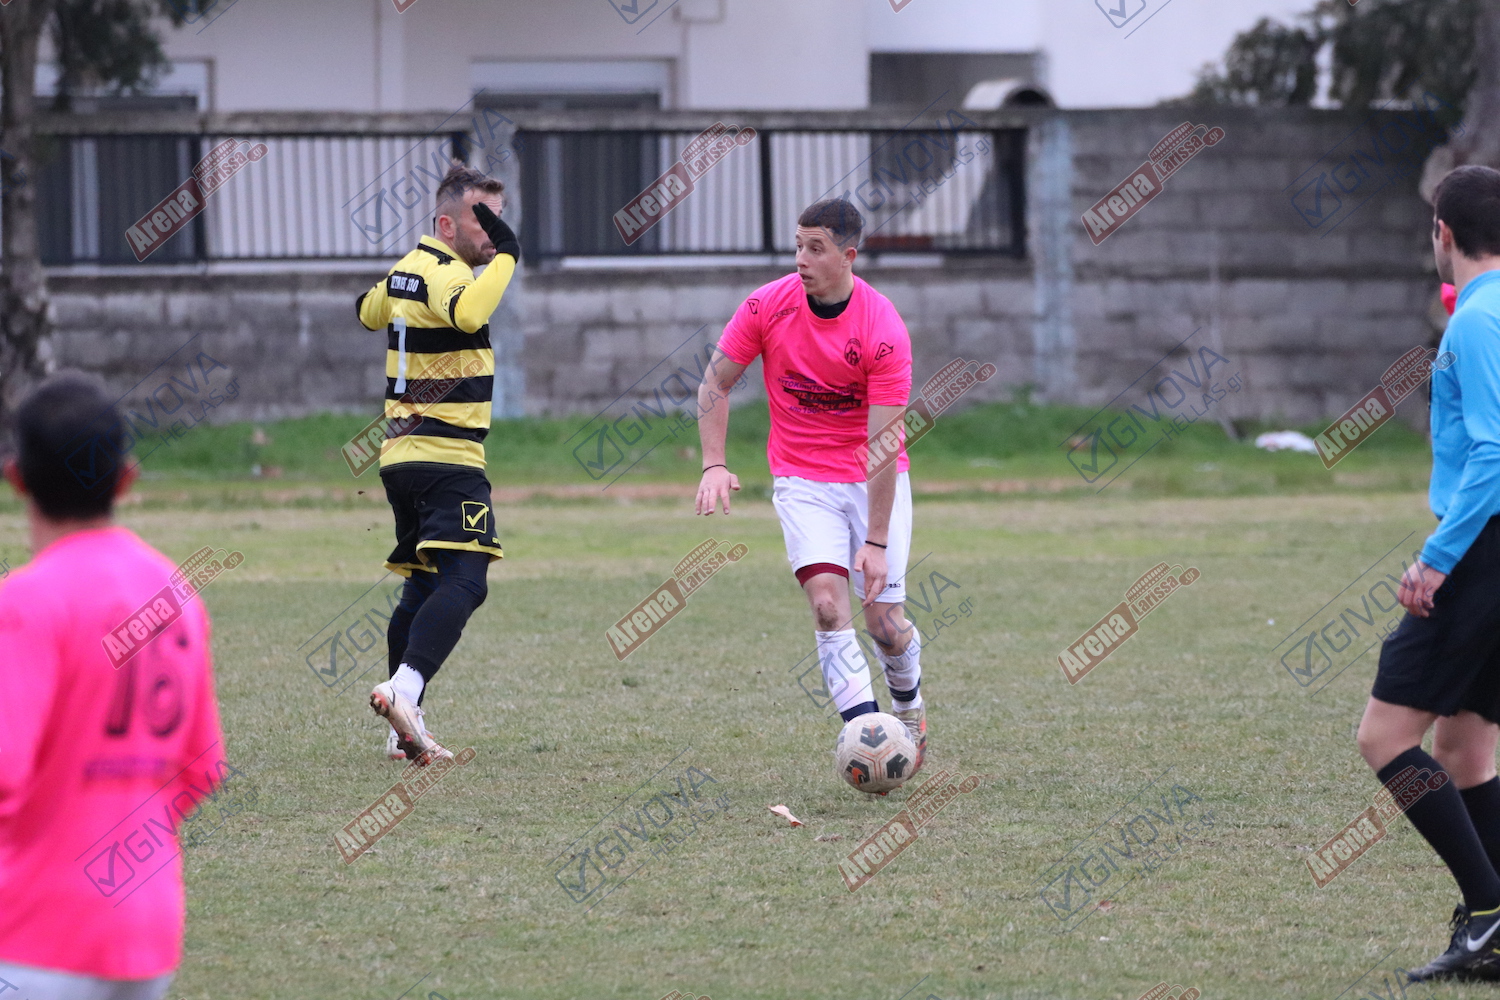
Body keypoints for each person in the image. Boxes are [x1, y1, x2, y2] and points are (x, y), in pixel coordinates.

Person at [0, 373, 225, 1000]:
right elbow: (201, 769)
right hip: (147, 936)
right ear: (126, 478)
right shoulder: (175, 595)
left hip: (35, 936)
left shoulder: (27, 601)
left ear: (16, 478)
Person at [694, 198, 926, 773]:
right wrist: (713, 463)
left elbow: (884, 443)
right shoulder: (766, 305)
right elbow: (715, 383)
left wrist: (875, 542)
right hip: (801, 479)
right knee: (827, 606)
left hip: (872, 481)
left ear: (849, 256)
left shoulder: (882, 327)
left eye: (816, 248)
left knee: (885, 626)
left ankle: (909, 707)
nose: (801, 258)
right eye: (798, 245)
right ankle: (869, 739)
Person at [1356, 165, 1500, 982]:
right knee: (1466, 747)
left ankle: (1488, 913)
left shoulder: (1477, 321)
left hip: (1482, 548)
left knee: (1384, 738)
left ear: (1442, 232)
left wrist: (1438, 558)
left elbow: (1494, 452)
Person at [355, 164, 520, 765]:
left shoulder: (408, 269)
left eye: (500, 220)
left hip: (401, 457)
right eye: (485, 221)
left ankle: (404, 726)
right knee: (467, 581)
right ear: (447, 225)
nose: (494, 233)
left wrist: (394, 287)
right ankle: (404, 688)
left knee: (423, 585)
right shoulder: (447, 273)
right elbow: (470, 313)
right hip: (445, 456)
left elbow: (367, 310)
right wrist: (510, 255)